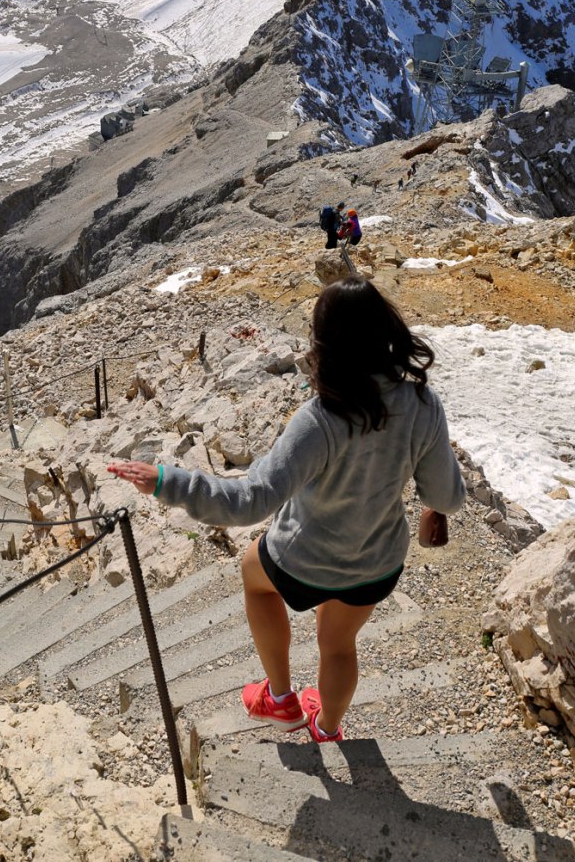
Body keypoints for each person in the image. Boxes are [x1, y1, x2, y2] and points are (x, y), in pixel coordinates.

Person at [108, 277, 464, 742]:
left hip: (305, 560)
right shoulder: (422, 403)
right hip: (377, 560)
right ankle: (327, 727)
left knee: (254, 577)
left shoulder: (320, 418)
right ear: (385, 331)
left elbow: (250, 500)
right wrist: (431, 510)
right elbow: (447, 495)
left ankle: (279, 699)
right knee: (338, 644)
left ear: (325, 344)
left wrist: (166, 481)